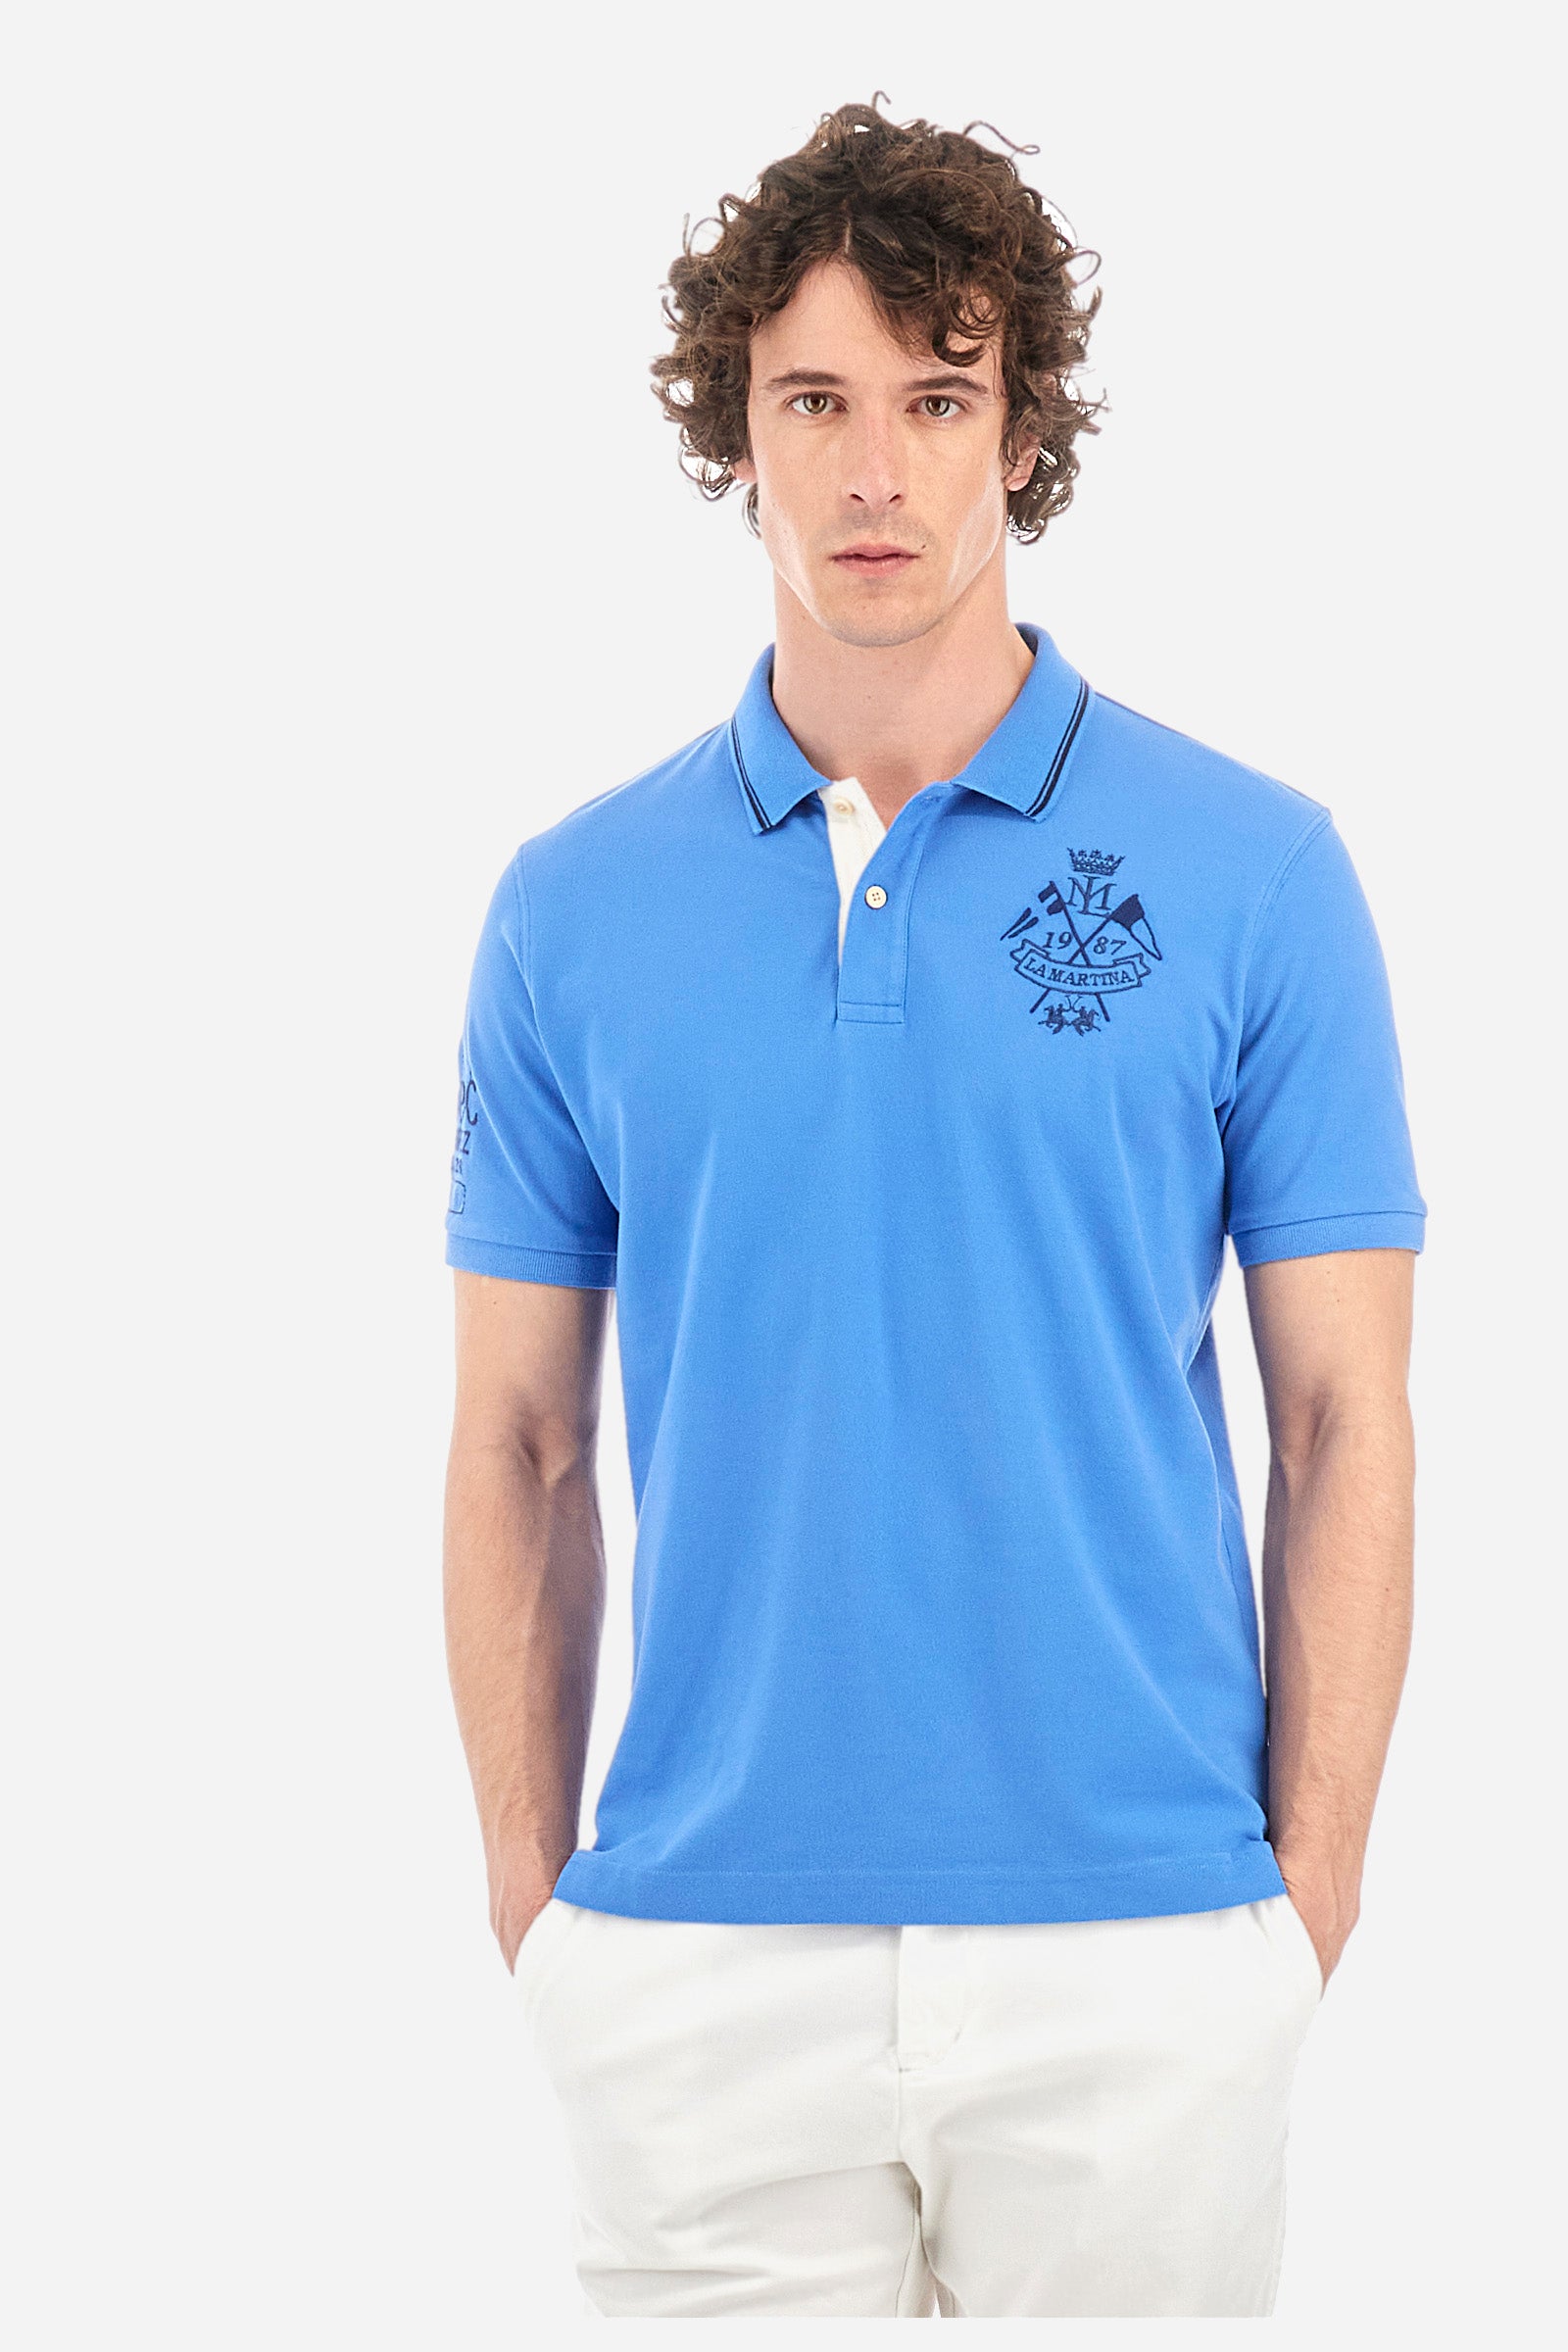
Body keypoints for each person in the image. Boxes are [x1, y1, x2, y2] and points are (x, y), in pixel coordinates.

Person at [440, 97, 1425, 2319]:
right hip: (693, 1970)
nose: (872, 470)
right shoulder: (570, 910)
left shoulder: (1255, 873)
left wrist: (1302, 1906)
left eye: (936, 397)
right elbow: (517, 1438)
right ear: (737, 435)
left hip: (1144, 1958)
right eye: (814, 401)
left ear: (1022, 429)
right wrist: (538, 1909)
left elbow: (1342, 1418)